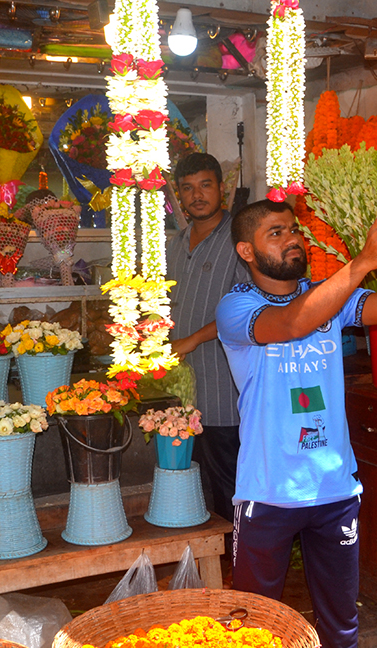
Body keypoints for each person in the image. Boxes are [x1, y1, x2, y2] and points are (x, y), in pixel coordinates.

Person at [216, 199, 377, 648]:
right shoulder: (235, 306)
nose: (292, 239)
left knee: (341, 626)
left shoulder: (331, 295)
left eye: (293, 230)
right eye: (276, 233)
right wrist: (362, 262)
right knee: (253, 626)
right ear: (247, 251)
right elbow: (291, 323)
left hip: (335, 490)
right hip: (268, 493)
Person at [165, 153, 249, 530]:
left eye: (205, 186)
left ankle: (239, 561)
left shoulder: (240, 240)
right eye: (187, 188)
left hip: (222, 383)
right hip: (181, 386)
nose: (197, 195)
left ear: (222, 189)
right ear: (179, 196)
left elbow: (248, 308)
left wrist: (191, 340)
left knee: (227, 478)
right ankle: (207, 554)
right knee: (189, 475)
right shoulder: (174, 243)